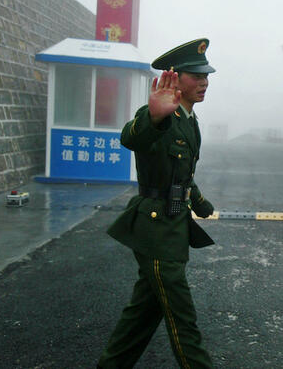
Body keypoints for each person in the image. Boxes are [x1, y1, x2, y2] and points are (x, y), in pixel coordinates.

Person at [98, 38, 218, 368]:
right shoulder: (160, 115)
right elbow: (131, 137)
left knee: (143, 313)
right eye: (196, 76)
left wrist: (200, 202)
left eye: (206, 75)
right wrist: (153, 117)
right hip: (156, 229)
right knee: (182, 319)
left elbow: (181, 174)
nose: (204, 82)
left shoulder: (189, 120)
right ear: (174, 77)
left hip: (173, 226)